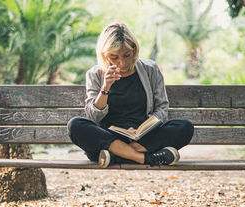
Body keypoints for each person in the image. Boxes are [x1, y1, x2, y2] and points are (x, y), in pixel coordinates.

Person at [67, 22, 194, 168]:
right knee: (75, 125)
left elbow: (162, 109)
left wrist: (145, 127)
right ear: (104, 55)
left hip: (144, 137)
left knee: (185, 127)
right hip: (110, 136)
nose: (122, 63)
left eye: (127, 55)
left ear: (134, 50)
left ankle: (115, 156)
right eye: (114, 57)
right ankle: (147, 158)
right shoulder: (95, 74)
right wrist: (105, 87)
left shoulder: (150, 70)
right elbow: (94, 117)